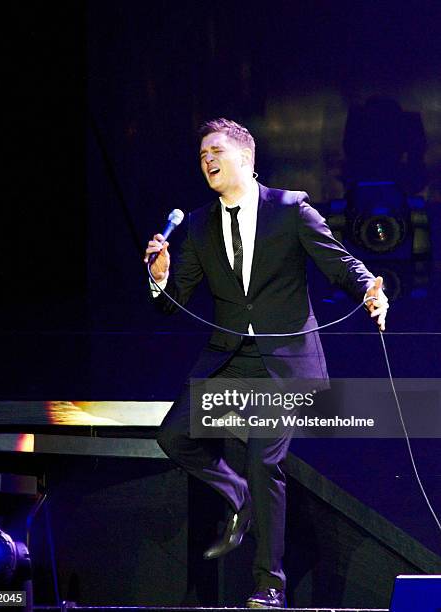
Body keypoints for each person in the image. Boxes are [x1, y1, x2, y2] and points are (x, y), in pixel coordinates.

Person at [144, 118, 388, 608]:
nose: (206, 160)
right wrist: (160, 276)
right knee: (173, 436)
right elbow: (173, 302)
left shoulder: (290, 208)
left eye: (214, 150)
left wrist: (369, 291)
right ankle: (239, 498)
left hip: (286, 362)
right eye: (201, 156)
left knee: (263, 457)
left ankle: (269, 585)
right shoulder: (197, 224)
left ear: (245, 159)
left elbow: (339, 263)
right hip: (231, 356)